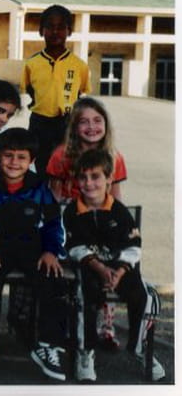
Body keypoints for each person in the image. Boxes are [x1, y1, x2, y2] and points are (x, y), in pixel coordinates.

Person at [0, 128, 68, 381]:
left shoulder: (39, 187)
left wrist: (50, 251)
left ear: (31, 160)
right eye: (8, 155)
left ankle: (47, 345)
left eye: (21, 157)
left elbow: (53, 223)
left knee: (53, 280)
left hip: (32, 247)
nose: (14, 162)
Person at [64, 149, 165, 382]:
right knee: (83, 295)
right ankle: (86, 351)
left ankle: (139, 348)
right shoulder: (72, 211)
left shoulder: (119, 211)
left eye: (95, 176)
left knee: (145, 296)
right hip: (90, 268)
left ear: (109, 179)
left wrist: (118, 272)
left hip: (121, 269)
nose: (89, 183)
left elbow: (134, 247)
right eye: (83, 177)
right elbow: (74, 246)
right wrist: (100, 269)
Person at [47, 96, 128, 350]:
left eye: (97, 120)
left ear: (106, 124)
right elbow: (53, 198)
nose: (91, 127)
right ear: (74, 126)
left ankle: (105, 326)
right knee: (70, 273)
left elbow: (116, 202)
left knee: (108, 258)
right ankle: (65, 326)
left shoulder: (114, 157)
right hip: (69, 224)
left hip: (99, 225)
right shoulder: (61, 155)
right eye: (84, 122)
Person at [21, 4, 90, 174]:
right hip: (39, 123)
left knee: (67, 166)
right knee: (41, 166)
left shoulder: (79, 65)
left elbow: (80, 93)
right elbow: (29, 90)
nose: (55, 32)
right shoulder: (31, 64)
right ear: (41, 31)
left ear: (69, 31)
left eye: (61, 27)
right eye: (50, 27)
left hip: (67, 123)